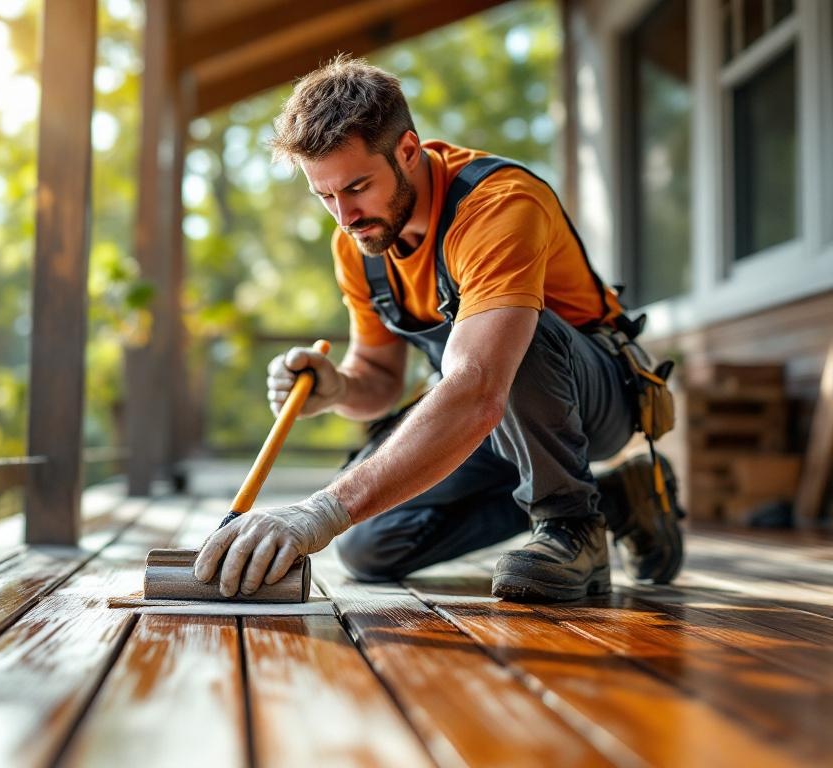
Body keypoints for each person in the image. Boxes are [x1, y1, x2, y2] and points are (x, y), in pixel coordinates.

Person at [194, 55, 683, 602]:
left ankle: (571, 523)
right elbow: (379, 378)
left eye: (357, 186)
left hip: (595, 400)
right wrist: (337, 389)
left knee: (513, 337)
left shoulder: (498, 206)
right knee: (369, 545)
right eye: (325, 195)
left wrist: (318, 510)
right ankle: (614, 499)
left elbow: (477, 386)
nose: (345, 215)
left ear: (408, 150)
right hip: (496, 422)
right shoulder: (360, 245)